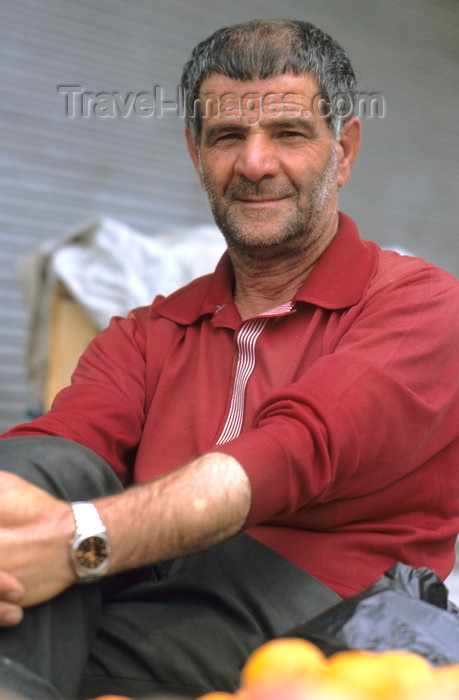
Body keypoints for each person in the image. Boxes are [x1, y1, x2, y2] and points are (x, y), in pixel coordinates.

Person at [0, 18, 458, 700]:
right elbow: (55, 448)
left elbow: (288, 453)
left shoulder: (420, 305)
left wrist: (75, 541)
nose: (254, 163)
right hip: (139, 583)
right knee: (44, 469)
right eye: (226, 137)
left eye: (288, 133)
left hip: (324, 613)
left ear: (345, 150)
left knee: (62, 641)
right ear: (195, 153)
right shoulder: (150, 330)